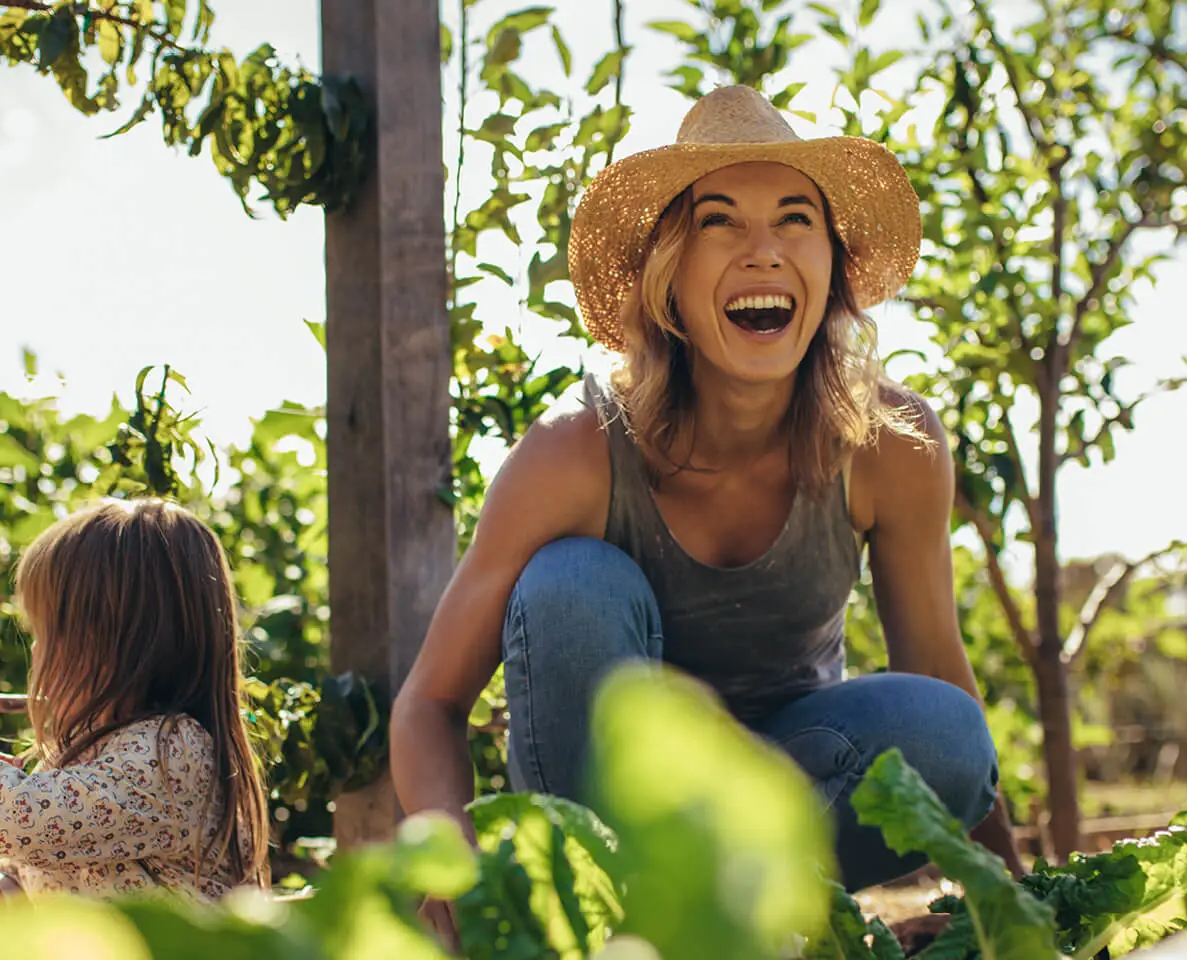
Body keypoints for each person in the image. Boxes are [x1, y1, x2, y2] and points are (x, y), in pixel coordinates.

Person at [389, 84, 1024, 932]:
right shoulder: (573, 453)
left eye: (795, 219)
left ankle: (743, 920)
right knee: (572, 583)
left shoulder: (889, 442)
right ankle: (615, 922)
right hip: (603, 821)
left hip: (797, 791)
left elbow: (940, 672)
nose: (763, 252)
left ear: (831, 269)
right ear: (668, 278)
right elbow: (429, 703)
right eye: (720, 221)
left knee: (946, 731)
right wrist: (454, 871)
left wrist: (1015, 896)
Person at [0, 498, 271, 914]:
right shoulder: (83, 759)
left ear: (106, 644)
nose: (38, 651)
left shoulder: (171, 753)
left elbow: (5, 818)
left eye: (44, 632)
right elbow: (46, 885)